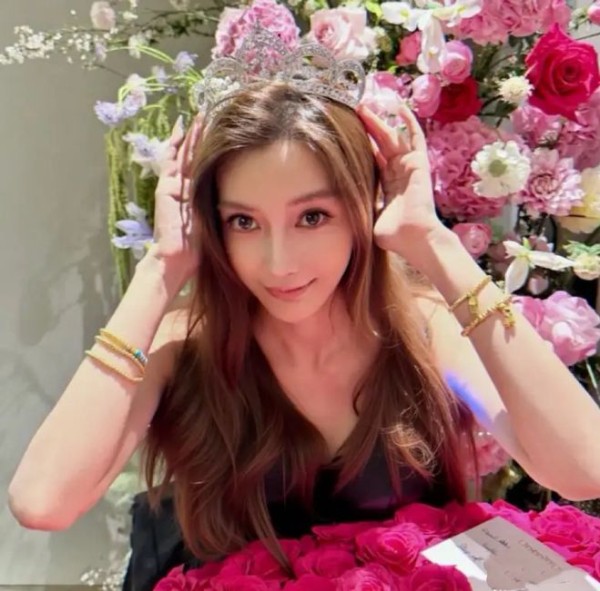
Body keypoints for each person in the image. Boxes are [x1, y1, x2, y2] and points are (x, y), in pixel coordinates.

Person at [8, 25, 600, 591]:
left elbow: (582, 468)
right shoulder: (185, 345)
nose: (279, 263)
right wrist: (161, 268)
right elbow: (42, 502)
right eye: (244, 222)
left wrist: (435, 245)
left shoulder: (421, 331)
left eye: (312, 217)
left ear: (364, 205)